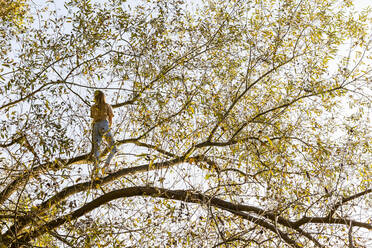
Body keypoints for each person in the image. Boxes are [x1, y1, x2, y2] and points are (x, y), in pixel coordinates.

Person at [91, 90, 117, 172]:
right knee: (114, 148)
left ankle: (96, 170)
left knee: (96, 150)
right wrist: (108, 127)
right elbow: (110, 118)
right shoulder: (107, 105)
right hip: (104, 125)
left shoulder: (93, 107)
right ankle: (106, 166)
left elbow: (93, 118)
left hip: (95, 126)